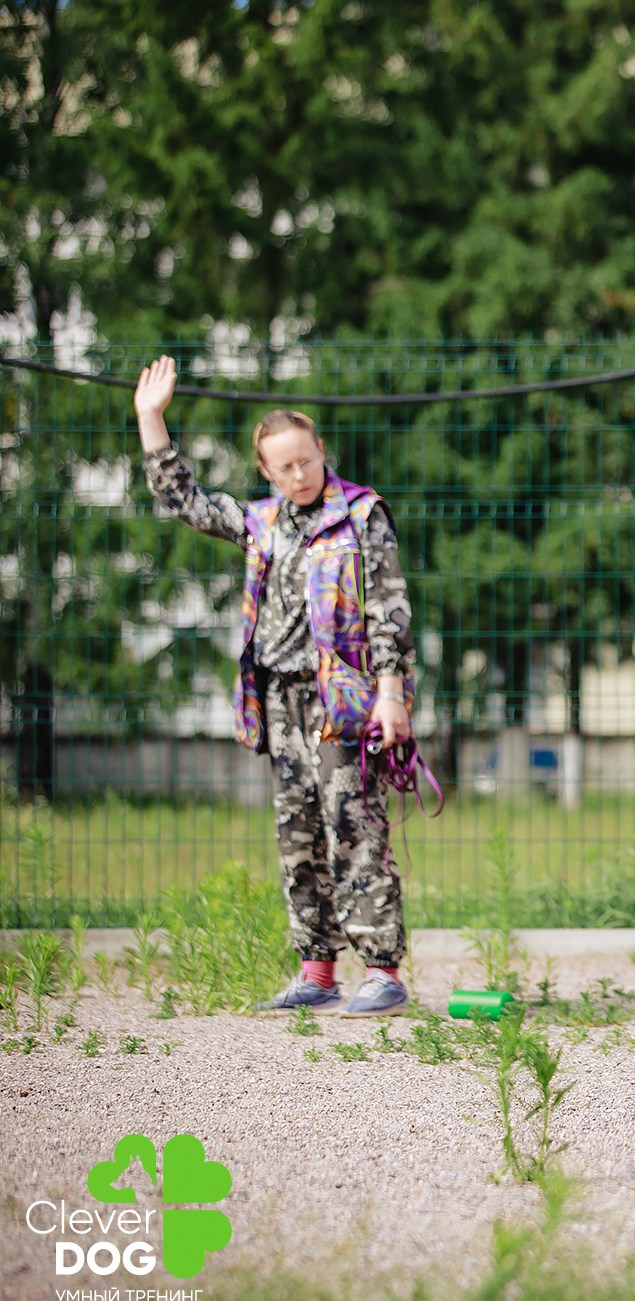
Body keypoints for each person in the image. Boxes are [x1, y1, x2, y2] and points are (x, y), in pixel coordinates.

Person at [134, 355, 415, 1016]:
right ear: (266, 470)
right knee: (298, 833)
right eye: (284, 466)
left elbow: (389, 609)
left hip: (343, 702)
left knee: (354, 826)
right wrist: (152, 419)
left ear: (322, 452)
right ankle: (316, 970)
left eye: (306, 460)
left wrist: (391, 692)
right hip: (279, 701)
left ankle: (383, 968)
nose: (298, 474)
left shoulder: (362, 515)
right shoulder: (261, 521)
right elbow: (189, 503)